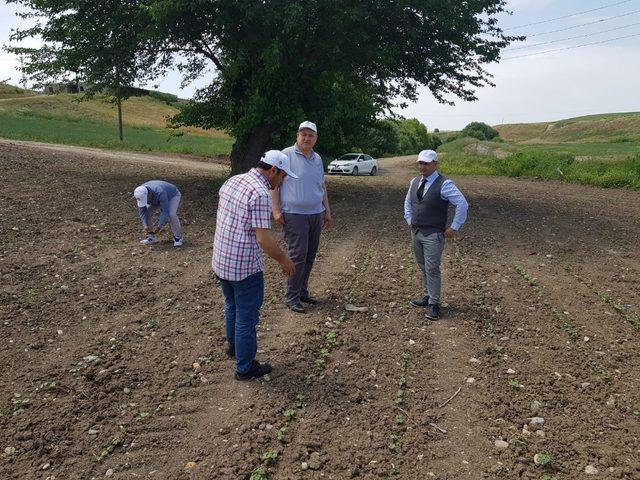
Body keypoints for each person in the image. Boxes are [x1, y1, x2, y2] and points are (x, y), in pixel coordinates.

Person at [213, 150, 296, 381]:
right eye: (283, 176)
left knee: (231, 305)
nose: (282, 181)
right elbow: (263, 238)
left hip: (222, 259)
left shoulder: (233, 180)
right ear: (273, 170)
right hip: (244, 267)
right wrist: (284, 260)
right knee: (246, 317)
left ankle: (233, 347)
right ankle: (245, 368)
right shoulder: (260, 194)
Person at [270, 121, 332, 314]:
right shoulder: (286, 155)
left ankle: (303, 291)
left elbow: (321, 186)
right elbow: (274, 184)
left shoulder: (317, 158)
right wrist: (276, 210)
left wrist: (327, 210)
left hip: (315, 213)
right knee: (297, 256)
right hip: (294, 215)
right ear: (297, 135)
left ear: (316, 138)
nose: (306, 138)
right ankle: (291, 297)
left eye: (310, 135)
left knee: (310, 255)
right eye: (303, 134)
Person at [404, 149, 468, 320]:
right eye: (420, 163)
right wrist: (409, 219)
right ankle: (427, 296)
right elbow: (408, 202)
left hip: (433, 234)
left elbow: (462, 204)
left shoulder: (444, 184)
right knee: (423, 266)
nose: (422, 166)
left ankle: (435, 304)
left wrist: (454, 227)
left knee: (432, 269)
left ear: (435, 164)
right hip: (416, 231)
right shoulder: (414, 181)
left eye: (426, 163)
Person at [133, 180, 184, 247]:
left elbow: (165, 211)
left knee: (171, 214)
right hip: (156, 199)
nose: (146, 201)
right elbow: (143, 212)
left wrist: (159, 226)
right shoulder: (139, 193)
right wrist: (145, 225)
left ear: (149, 194)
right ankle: (150, 237)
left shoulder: (160, 192)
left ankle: (178, 237)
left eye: (146, 199)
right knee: (147, 212)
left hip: (172, 196)